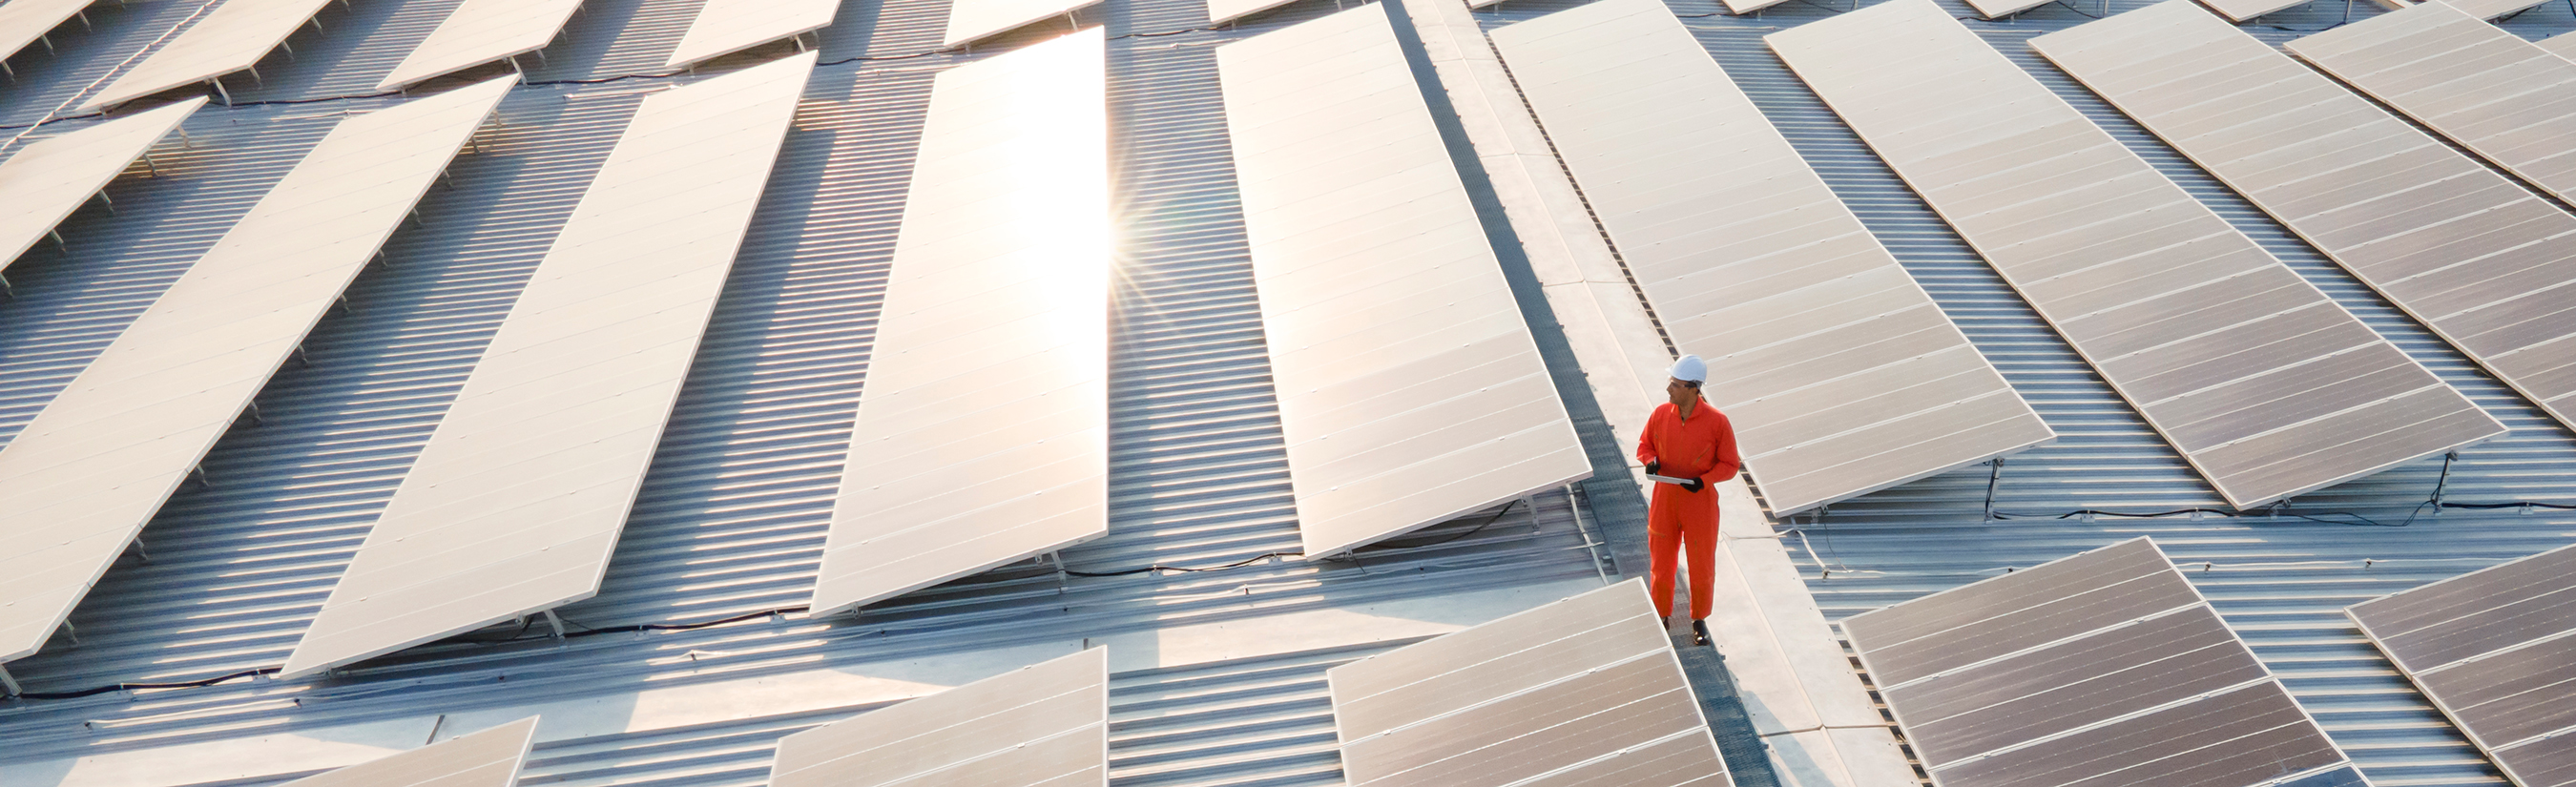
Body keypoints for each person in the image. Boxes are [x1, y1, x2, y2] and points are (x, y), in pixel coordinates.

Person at [1635, 354, 1739, 646]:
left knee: (1701, 564)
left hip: (1699, 502)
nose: (1669, 389)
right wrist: (1651, 461)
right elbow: (1644, 446)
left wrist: (1704, 481)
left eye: (1675, 384)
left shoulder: (1717, 423)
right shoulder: (1659, 415)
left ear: (1694, 389)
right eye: (1670, 383)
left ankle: (1699, 619)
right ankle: (1662, 616)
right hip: (1665, 498)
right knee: (1661, 561)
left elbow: (1730, 464)